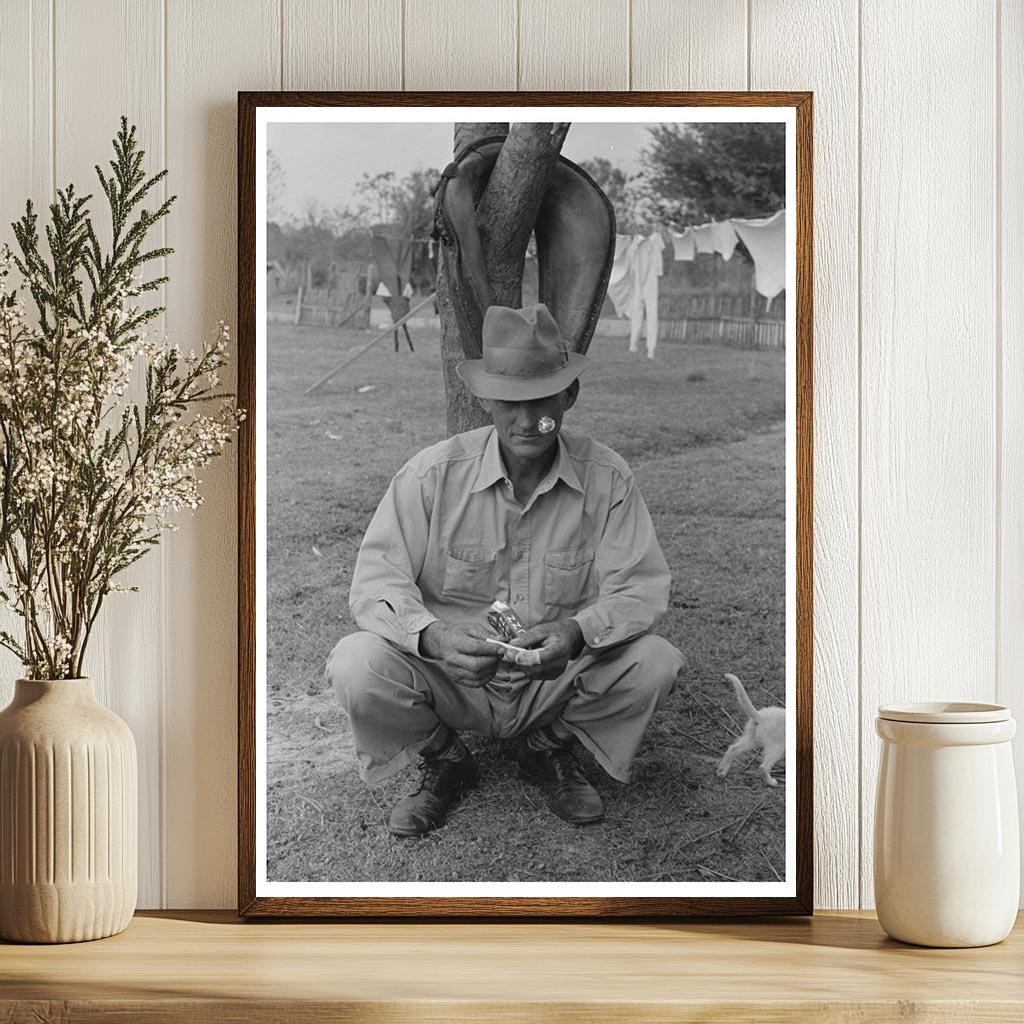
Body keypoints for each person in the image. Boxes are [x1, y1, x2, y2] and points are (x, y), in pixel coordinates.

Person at [326, 302, 685, 837]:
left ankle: (548, 747)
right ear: (486, 400)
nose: (527, 419)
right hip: (454, 680)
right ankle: (445, 758)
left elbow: (640, 588)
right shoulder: (431, 475)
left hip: (555, 681)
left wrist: (574, 632)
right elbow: (377, 583)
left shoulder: (608, 478)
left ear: (569, 396)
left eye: (542, 400)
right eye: (510, 401)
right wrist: (436, 638)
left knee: (656, 662)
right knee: (356, 663)